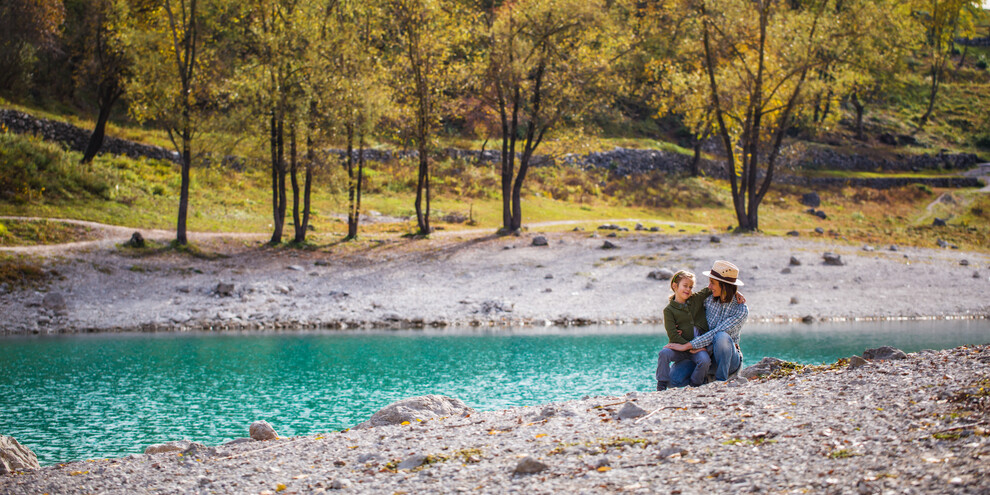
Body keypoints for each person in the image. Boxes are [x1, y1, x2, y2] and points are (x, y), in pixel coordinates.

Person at [663, 260, 748, 386]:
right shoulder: (707, 300)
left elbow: (716, 332)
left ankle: (721, 381)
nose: (709, 286)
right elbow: (684, 303)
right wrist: (680, 325)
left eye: (712, 283)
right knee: (673, 379)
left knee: (721, 336)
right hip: (704, 354)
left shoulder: (741, 310)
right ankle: (704, 380)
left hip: (729, 360)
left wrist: (688, 345)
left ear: (724, 286)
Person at [655, 270, 712, 391]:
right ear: (675, 286)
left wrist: (736, 292)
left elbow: (711, 288)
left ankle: (695, 384)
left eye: (691, 287)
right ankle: (661, 385)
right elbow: (673, 335)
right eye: (685, 286)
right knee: (664, 353)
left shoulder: (696, 299)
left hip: (698, 349)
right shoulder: (669, 311)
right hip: (680, 348)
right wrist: (690, 347)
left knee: (704, 361)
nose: (688, 289)